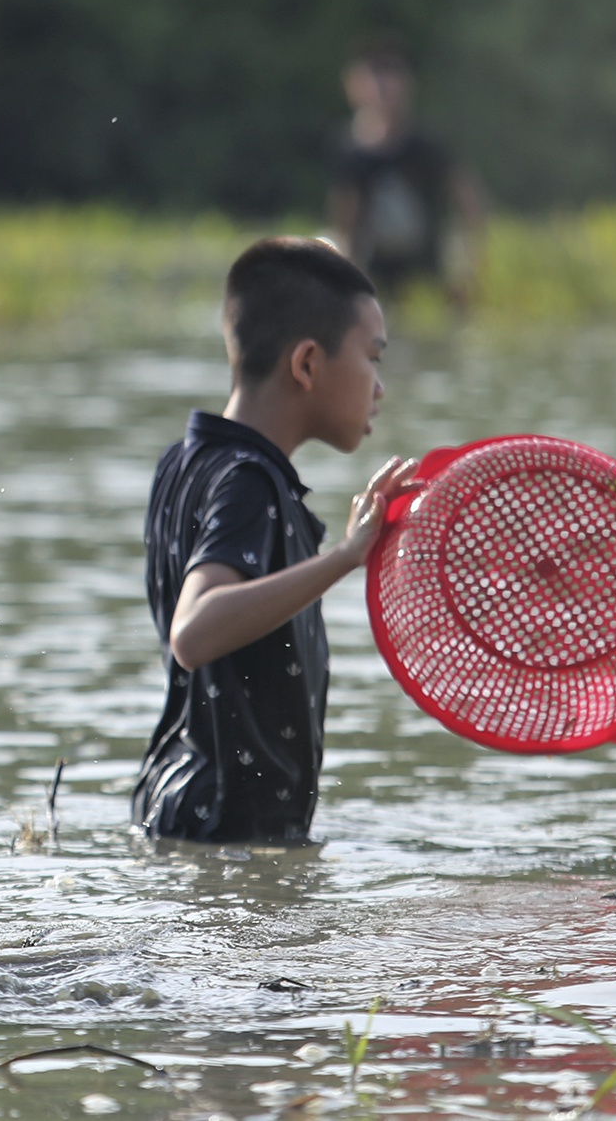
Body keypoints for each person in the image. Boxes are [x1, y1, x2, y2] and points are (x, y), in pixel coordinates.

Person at [133, 238, 416, 845]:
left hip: (178, 811)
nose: (380, 387)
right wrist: (346, 556)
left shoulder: (184, 461)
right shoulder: (250, 483)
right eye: (373, 358)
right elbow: (194, 632)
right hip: (226, 832)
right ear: (307, 363)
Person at [328, 36, 484, 299]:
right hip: (373, 272)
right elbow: (345, 217)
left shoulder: (428, 147)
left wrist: (468, 268)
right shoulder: (351, 151)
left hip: (427, 270)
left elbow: (469, 203)